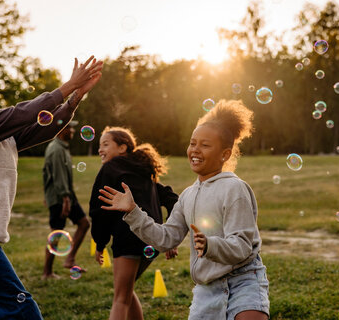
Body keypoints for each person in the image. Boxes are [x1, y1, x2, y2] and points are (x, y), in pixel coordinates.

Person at [0, 57, 103, 319]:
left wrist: (75, 96)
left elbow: (43, 127)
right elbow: (21, 113)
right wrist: (66, 85)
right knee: (22, 312)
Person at [98, 100, 270, 320]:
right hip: (207, 288)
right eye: (192, 143)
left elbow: (243, 246)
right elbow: (165, 239)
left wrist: (210, 245)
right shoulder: (188, 196)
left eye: (205, 145)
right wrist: (133, 212)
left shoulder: (234, 188)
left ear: (225, 154)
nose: (195, 150)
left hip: (243, 280)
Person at [89, 126, 178, 320]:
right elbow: (172, 199)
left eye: (105, 144)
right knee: (126, 292)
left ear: (122, 148)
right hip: (152, 240)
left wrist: (100, 243)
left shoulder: (111, 168)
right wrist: (170, 236)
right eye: (99, 145)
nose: (100, 150)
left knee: (120, 298)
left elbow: (98, 210)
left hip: (128, 239)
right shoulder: (144, 170)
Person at [42, 120, 90, 279]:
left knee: (84, 223)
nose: (73, 131)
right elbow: (58, 176)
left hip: (66, 195)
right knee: (56, 233)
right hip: (60, 198)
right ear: (61, 130)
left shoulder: (62, 148)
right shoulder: (56, 149)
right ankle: (47, 272)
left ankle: (70, 259)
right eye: (70, 128)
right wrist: (65, 200)